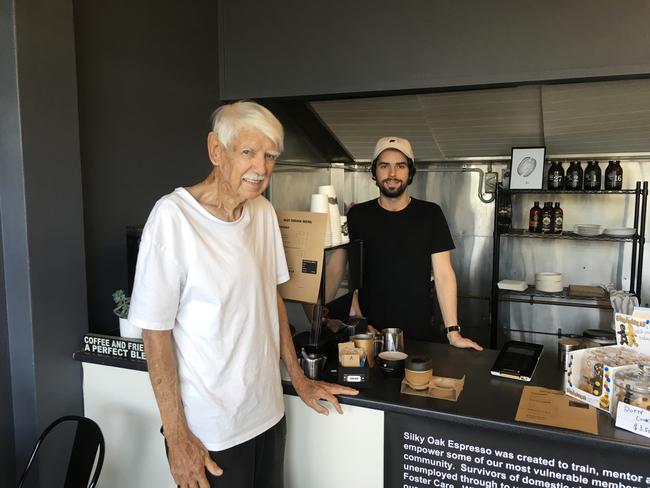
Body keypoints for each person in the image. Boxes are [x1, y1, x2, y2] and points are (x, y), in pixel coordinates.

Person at [128, 101, 358, 488]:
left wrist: (299, 378)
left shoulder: (262, 213)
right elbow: (155, 334)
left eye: (270, 156)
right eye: (248, 152)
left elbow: (270, 302)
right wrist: (177, 435)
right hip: (211, 433)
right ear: (216, 150)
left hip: (268, 415)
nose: (261, 167)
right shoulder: (172, 218)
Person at [347, 136, 482, 351]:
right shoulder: (357, 216)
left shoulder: (430, 214)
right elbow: (349, 280)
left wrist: (453, 332)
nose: (392, 174)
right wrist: (360, 323)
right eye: (384, 166)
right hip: (370, 335)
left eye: (400, 166)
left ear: (410, 172)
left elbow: (444, 275)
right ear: (374, 173)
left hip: (420, 334)